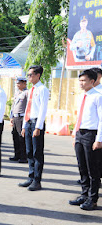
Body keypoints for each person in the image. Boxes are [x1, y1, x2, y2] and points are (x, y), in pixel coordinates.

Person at [69, 69, 102, 211]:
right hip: (80, 134)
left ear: (92, 81)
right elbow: (80, 116)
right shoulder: (83, 96)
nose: (81, 83)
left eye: (84, 80)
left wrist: (99, 139)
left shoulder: (98, 97)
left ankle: (93, 199)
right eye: (80, 80)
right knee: (82, 166)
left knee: (92, 169)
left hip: (91, 135)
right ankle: (84, 194)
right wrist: (75, 133)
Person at [19, 65, 49, 191]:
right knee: (29, 152)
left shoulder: (43, 89)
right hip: (29, 122)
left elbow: (43, 109)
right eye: (28, 75)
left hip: (37, 123)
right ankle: (31, 177)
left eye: (31, 75)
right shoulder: (31, 90)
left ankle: (37, 180)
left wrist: (38, 127)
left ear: (38, 75)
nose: (29, 77)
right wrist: (24, 125)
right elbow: (28, 109)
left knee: (37, 153)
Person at [9, 77, 28, 163]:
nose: (17, 85)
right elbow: (13, 106)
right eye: (17, 83)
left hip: (22, 117)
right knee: (15, 136)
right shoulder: (17, 93)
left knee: (21, 137)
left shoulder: (26, 93)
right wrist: (11, 116)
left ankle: (24, 156)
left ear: (24, 83)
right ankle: (17, 154)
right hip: (15, 117)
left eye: (19, 83)